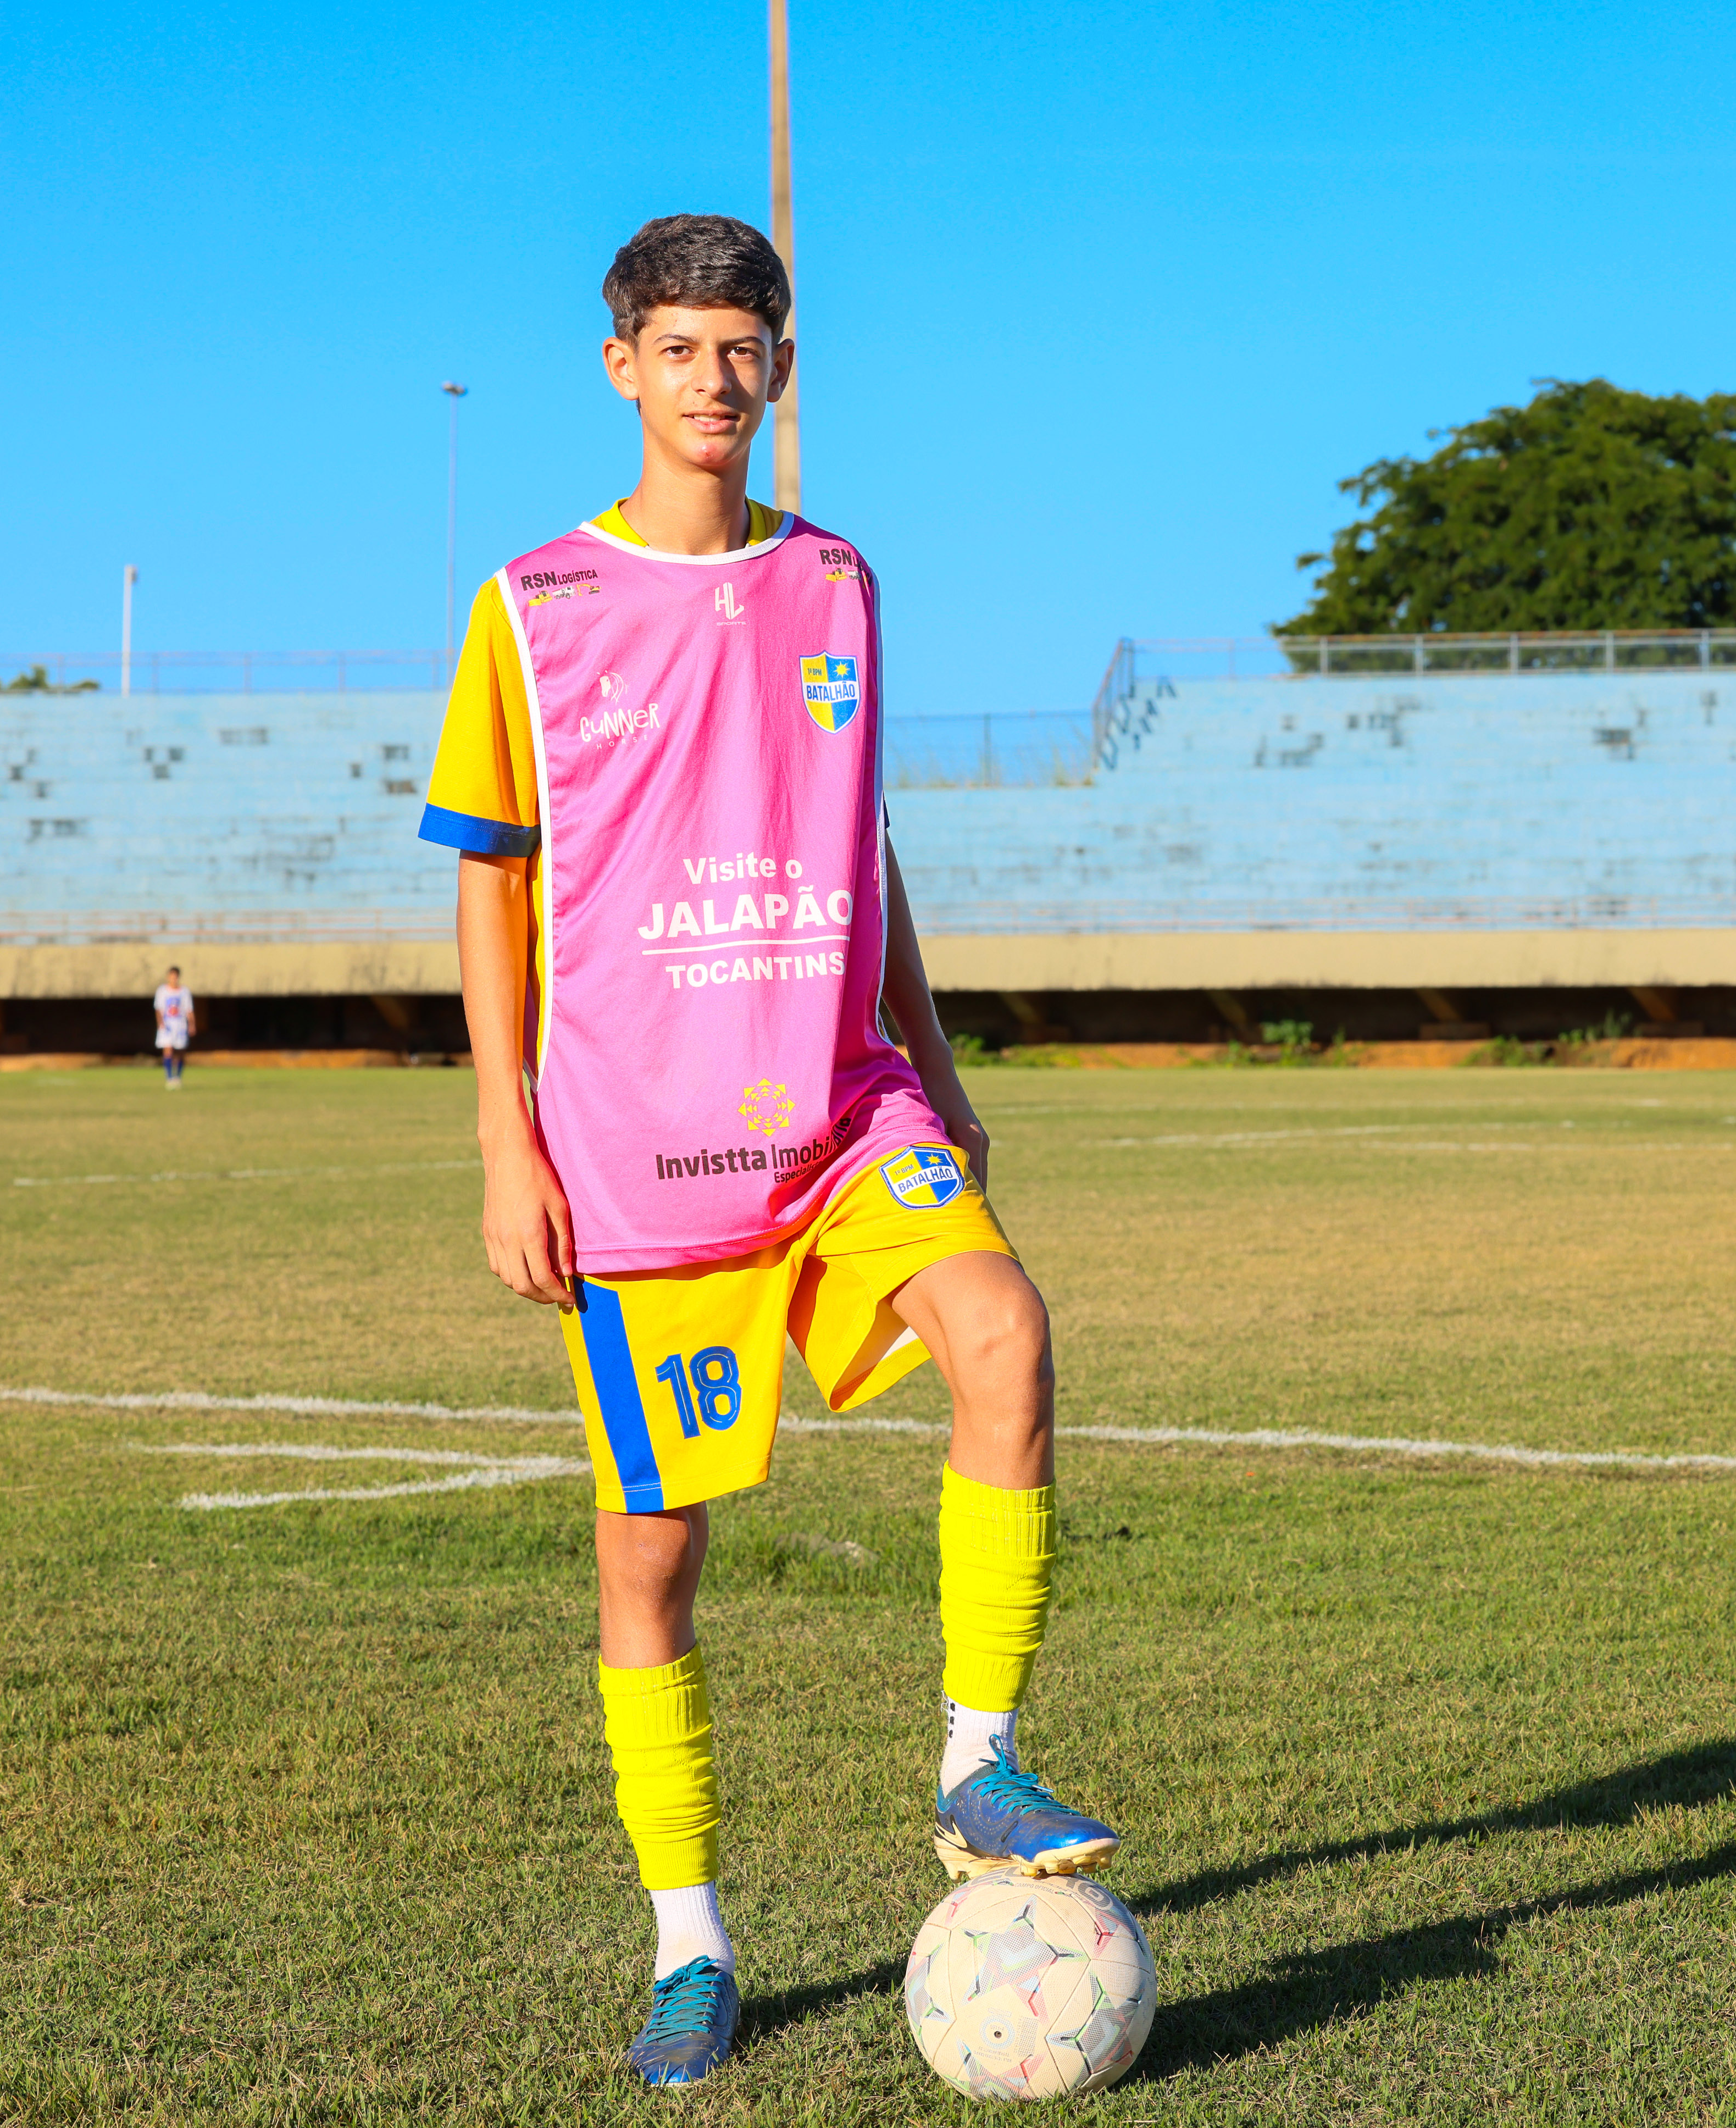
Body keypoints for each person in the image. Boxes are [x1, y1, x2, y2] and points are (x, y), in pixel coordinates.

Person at [414, 213, 1114, 2090]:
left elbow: (852, 833)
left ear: (781, 371)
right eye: (680, 347)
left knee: (1008, 1338)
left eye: (745, 347)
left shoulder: (843, 586)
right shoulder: (529, 610)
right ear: (620, 368)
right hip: (639, 1159)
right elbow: (487, 887)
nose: (714, 379)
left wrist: (938, 1066)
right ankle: (690, 1945)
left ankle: (978, 1757)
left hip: (844, 1111)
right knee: (649, 1568)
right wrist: (507, 1146)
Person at [152, 966, 192, 1088]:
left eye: (175, 976)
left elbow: (189, 1010)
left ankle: (178, 1077)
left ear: (178, 977)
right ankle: (169, 1078)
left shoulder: (184, 992)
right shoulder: (162, 991)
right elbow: (158, 1009)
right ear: (168, 977)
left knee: (180, 1052)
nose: (173, 979)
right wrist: (161, 1023)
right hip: (167, 1025)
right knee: (168, 1050)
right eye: (171, 976)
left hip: (180, 1025)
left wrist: (192, 1024)